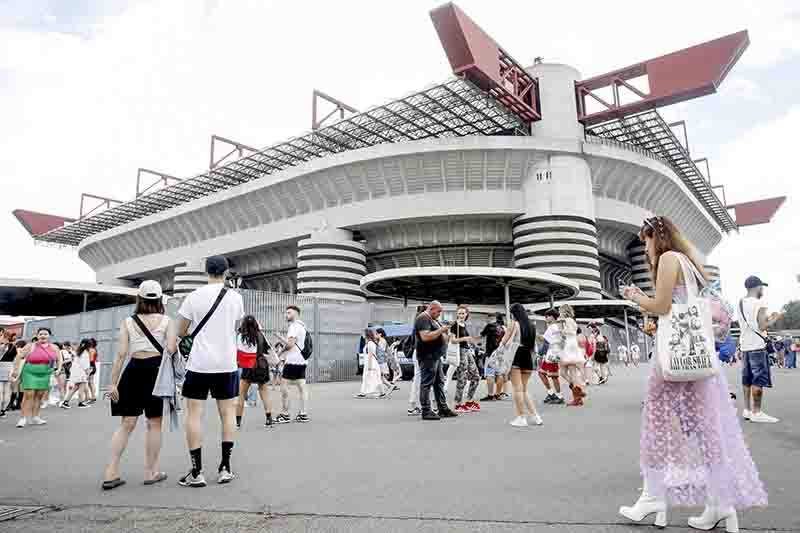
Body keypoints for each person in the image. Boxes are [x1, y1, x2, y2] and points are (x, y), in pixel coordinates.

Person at [619, 215, 767, 530]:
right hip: (696, 355)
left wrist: (635, 297)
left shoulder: (669, 259)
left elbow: (661, 306)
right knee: (706, 428)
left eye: (644, 241)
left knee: (657, 422)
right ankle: (720, 503)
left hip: (672, 355)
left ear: (654, 238)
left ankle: (653, 496)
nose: (644, 249)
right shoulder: (688, 262)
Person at [177, 255, 245, 488]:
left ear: (205, 272)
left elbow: (181, 330)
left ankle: (196, 471)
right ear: (226, 272)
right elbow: (236, 326)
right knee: (227, 414)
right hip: (226, 362)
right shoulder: (235, 298)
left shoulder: (193, 297)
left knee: (194, 414)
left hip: (198, 363)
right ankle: (225, 467)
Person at [102, 280, 177, 490]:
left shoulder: (128, 321)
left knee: (126, 424)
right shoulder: (167, 321)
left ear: (140, 299)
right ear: (160, 298)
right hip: (156, 373)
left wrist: (113, 383)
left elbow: (120, 354)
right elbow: (170, 348)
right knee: (154, 423)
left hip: (133, 370)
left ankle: (111, 471)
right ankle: (151, 472)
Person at [738, 275, 783, 424]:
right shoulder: (759, 303)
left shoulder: (740, 303)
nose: (762, 289)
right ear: (757, 287)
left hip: (745, 346)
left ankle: (747, 410)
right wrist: (776, 317)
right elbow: (763, 326)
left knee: (747, 379)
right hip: (757, 346)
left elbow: (753, 324)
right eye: (761, 287)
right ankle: (757, 412)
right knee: (758, 379)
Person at [500, 303, 542, 427]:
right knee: (524, 389)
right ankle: (536, 416)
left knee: (517, 389)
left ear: (514, 314)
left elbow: (504, 341)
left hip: (516, 355)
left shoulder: (514, 324)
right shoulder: (532, 326)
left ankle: (521, 417)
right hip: (527, 357)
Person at [415, 301, 458, 421]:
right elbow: (425, 336)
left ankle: (442, 408)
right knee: (427, 383)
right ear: (431, 308)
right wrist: (442, 330)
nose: (440, 314)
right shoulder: (423, 318)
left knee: (439, 383)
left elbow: (439, 336)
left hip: (435, 356)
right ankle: (426, 410)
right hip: (427, 356)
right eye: (438, 311)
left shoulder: (433, 320)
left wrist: (446, 333)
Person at [11, 327, 62, 428]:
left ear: (49, 336)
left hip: (45, 373)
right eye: (41, 334)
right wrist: (16, 370)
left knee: (39, 395)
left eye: (45, 334)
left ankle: (35, 417)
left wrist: (58, 369)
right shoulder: (30, 346)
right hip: (30, 371)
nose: (43, 336)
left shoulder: (54, 347)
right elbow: (19, 357)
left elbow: (59, 359)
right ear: (37, 335)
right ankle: (23, 418)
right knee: (28, 394)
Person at [235, 315, 275, 429]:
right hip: (261, 365)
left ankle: (237, 422)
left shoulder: (241, 336)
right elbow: (268, 350)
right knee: (264, 393)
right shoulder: (261, 335)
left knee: (241, 395)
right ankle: (269, 419)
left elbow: (238, 353)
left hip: (248, 366)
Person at [274, 305, 310, 423]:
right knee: (302, 387)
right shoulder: (302, 326)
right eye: (286, 313)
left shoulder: (294, 326)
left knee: (284, 387)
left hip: (292, 361)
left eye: (289, 313)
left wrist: (280, 353)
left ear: (296, 313)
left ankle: (285, 414)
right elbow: (294, 344)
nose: (286, 315)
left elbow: (290, 345)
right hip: (302, 361)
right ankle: (303, 414)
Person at [450, 305, 481, 414]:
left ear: (467, 314)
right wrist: (465, 338)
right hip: (460, 352)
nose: (461, 315)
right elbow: (452, 340)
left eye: (463, 313)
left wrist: (473, 342)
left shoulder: (464, 325)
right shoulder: (455, 325)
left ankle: (469, 400)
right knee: (461, 378)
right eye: (459, 313)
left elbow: (467, 340)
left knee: (476, 376)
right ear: (457, 314)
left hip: (467, 351)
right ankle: (458, 404)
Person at [555, 305, 585, 407]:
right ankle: (578, 393)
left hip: (569, 344)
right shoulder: (570, 320)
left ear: (564, 311)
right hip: (572, 344)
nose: (559, 313)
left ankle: (577, 393)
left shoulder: (568, 320)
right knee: (567, 372)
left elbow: (571, 332)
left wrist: (561, 330)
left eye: (560, 311)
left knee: (565, 372)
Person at [539, 308, 565, 405]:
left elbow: (545, 340)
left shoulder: (552, 327)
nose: (546, 318)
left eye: (547, 316)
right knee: (543, 373)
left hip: (552, 354)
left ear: (552, 317)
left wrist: (536, 334)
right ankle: (552, 393)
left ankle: (558, 396)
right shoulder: (557, 327)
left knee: (553, 376)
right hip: (554, 353)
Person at [480, 314, 507, 401]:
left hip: (490, 354)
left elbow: (482, 335)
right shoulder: (504, 328)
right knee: (499, 374)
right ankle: (498, 394)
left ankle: (491, 395)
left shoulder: (490, 326)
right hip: (501, 354)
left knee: (489, 374)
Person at [406, 305, 427, 416]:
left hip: (416, 353)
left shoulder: (416, 323)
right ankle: (427, 406)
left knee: (417, 379)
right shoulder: (424, 323)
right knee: (427, 380)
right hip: (423, 353)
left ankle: (413, 405)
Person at [61, 339, 92, 408]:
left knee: (75, 388)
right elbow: (85, 365)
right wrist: (88, 372)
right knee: (81, 387)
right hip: (81, 372)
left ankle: (65, 402)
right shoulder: (85, 353)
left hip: (76, 372)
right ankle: (80, 403)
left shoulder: (78, 351)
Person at [357, 329, 386, 398]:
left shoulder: (370, 343)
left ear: (367, 334)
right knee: (368, 377)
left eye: (363, 334)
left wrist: (369, 366)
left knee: (374, 377)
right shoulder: (369, 343)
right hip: (369, 362)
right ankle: (363, 392)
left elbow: (370, 355)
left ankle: (380, 392)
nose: (362, 335)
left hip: (371, 363)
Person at [0, 331, 18, 418]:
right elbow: (15, 360)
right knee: (7, 391)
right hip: (9, 368)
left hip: (2, 367)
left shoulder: (2, 347)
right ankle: (3, 410)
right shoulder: (13, 347)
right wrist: (14, 370)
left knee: (1, 392)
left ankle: (1, 410)